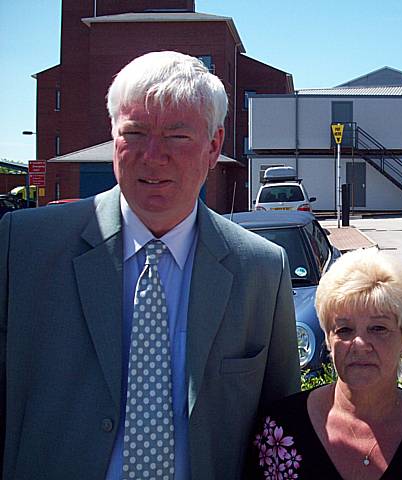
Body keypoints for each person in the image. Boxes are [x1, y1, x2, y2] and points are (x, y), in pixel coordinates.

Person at [0, 51, 300, 480]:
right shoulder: (23, 248)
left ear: (214, 146)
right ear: (113, 135)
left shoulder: (261, 270)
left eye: (177, 137)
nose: (153, 156)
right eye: (135, 133)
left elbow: (277, 435)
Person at [246, 248, 402, 479]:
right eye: (345, 330)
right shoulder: (276, 432)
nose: (359, 343)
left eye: (378, 328)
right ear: (328, 339)